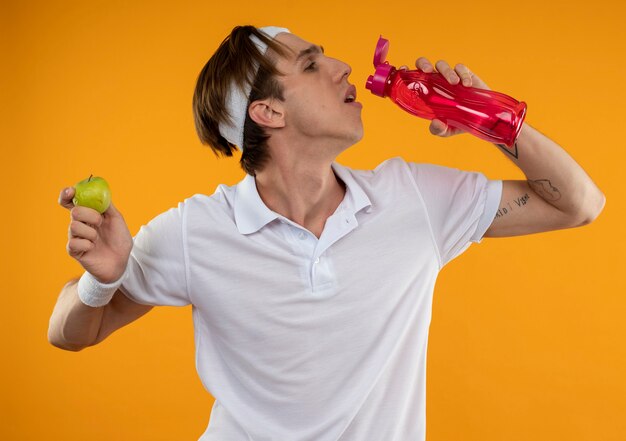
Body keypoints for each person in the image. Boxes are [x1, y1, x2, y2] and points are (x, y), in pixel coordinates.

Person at [49, 25, 605, 441]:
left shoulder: (414, 199)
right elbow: (69, 333)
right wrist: (102, 282)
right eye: (312, 65)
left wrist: (488, 118)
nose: (342, 66)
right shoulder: (197, 231)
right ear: (268, 112)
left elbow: (580, 203)